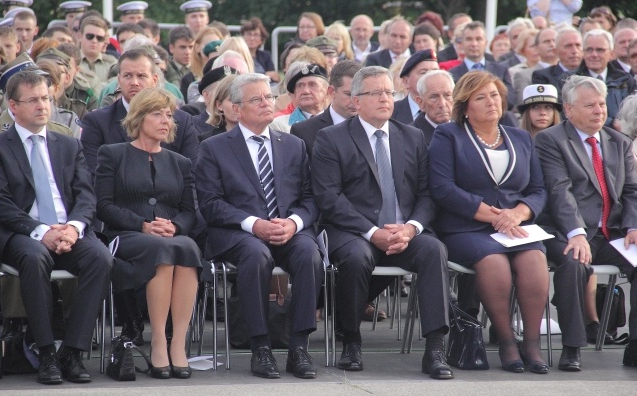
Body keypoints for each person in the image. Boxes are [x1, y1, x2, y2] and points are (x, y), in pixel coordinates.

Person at [311, 66, 453, 379]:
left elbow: (427, 195)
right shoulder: (331, 138)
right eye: (375, 92)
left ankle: (435, 348)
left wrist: (411, 228)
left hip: (403, 232)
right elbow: (329, 197)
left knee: (434, 250)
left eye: (389, 92)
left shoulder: (411, 136)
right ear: (356, 102)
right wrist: (373, 232)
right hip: (354, 233)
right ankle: (350, 340)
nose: (385, 98)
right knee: (357, 257)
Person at [0, 71, 113, 384]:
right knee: (34, 258)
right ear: (13, 106)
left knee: (100, 257)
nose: (42, 106)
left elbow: (86, 196)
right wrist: (43, 232)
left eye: (45, 98)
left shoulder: (69, 145)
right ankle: (45, 352)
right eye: (33, 100)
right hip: (22, 233)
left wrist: (73, 228)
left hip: (68, 231)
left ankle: (72, 352)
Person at [196, 73, 323, 379]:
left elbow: (311, 199)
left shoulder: (293, 145)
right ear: (236, 110)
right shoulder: (214, 148)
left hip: (287, 230)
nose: (267, 103)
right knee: (256, 256)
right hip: (240, 232)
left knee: (309, 254)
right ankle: (260, 347)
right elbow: (210, 204)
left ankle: (298, 347)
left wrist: (293, 224)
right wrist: (255, 225)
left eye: (268, 97)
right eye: (257, 99)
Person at [429, 71, 549, 373]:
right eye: (480, 97)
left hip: (514, 225)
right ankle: (507, 342)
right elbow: (443, 188)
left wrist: (516, 214)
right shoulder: (448, 135)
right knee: (494, 264)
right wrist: (496, 216)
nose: (490, 102)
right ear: (465, 106)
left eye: (494, 95)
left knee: (534, 260)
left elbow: (537, 190)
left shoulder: (521, 138)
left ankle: (531, 344)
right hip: (466, 227)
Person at [95, 88, 201, 379]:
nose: (165, 120)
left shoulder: (181, 163)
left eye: (168, 115)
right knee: (162, 250)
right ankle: (157, 342)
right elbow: (103, 205)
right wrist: (142, 223)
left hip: (168, 235)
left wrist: (175, 226)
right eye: (157, 114)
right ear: (139, 118)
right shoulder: (112, 154)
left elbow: (190, 211)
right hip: (127, 235)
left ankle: (177, 343)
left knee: (188, 247)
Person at [535, 75, 637, 370]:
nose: (599, 110)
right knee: (573, 265)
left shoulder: (618, 142)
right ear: (568, 109)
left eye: (602, 104)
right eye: (590, 105)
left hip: (611, 232)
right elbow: (559, 190)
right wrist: (575, 233)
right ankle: (573, 346)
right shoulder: (551, 140)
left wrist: (632, 226)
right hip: (565, 231)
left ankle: (635, 346)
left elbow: (632, 191)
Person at [81, 47, 198, 175]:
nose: (134, 82)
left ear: (154, 80)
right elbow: (93, 174)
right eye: (128, 76)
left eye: (141, 76)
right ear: (119, 80)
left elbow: (191, 174)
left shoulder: (181, 121)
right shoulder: (97, 122)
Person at [563, 29, 635, 128]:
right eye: (589, 50)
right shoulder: (570, 81)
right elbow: (566, 115)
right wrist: (612, 123)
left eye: (600, 50)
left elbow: (633, 114)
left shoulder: (625, 79)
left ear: (611, 54)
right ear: (583, 53)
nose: (594, 55)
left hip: (623, 137)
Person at [290, 60, 361, 157]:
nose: (355, 101)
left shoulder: (373, 125)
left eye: (360, 95)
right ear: (331, 92)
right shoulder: (303, 131)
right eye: (349, 94)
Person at [449, 21, 516, 109]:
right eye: (469, 39)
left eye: (478, 39)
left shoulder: (501, 71)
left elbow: (510, 101)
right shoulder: (452, 74)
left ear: (486, 42)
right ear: (462, 43)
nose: (474, 44)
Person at [270, 62, 328, 133]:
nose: (305, 91)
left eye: (312, 85)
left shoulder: (338, 121)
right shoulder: (278, 125)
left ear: (327, 91)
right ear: (294, 93)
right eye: (300, 86)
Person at [392, 49, 439, 124]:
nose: (431, 77)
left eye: (435, 72)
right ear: (406, 82)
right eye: (423, 73)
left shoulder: (449, 110)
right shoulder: (392, 111)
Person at [532, 27, 582, 96]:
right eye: (568, 46)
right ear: (556, 51)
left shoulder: (590, 74)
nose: (574, 51)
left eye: (578, 45)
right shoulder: (543, 77)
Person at [412, 70, 455, 143]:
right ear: (421, 103)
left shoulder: (465, 129)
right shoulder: (410, 137)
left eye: (447, 95)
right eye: (434, 97)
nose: (442, 104)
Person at [198, 74, 239, 141]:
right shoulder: (208, 141)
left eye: (241, 100)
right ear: (219, 105)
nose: (237, 105)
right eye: (232, 100)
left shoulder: (260, 135)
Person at [241, 17, 279, 83]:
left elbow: (275, 77)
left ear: (261, 40)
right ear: (243, 36)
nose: (252, 38)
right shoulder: (237, 55)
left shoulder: (266, 56)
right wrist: (265, 75)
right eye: (249, 34)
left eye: (256, 35)